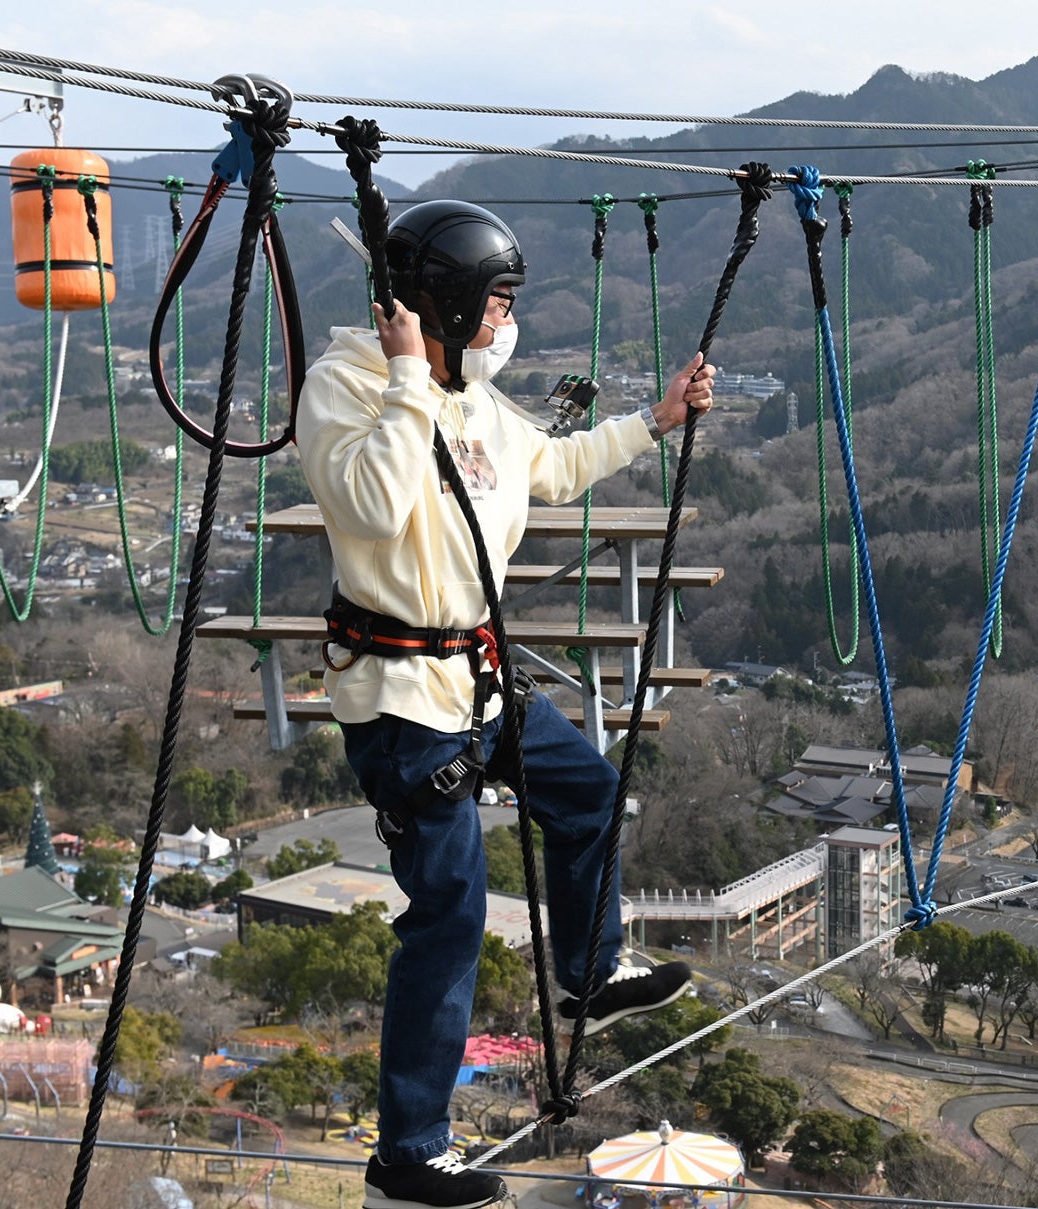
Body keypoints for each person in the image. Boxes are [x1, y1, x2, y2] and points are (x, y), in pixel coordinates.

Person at [295, 200, 709, 1209]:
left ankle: (589, 967)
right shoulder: (349, 386)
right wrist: (404, 381)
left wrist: (654, 422)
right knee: (449, 915)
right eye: (496, 302)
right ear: (441, 303)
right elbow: (369, 506)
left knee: (588, 793)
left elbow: (549, 466)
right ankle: (409, 1147)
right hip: (400, 695)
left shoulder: (473, 394)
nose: (505, 323)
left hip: (475, 675)